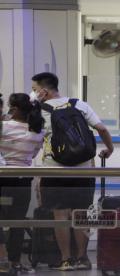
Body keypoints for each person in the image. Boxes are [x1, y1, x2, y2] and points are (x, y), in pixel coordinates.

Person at [32, 72, 114, 271]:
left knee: (60, 215)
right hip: (83, 169)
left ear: (44, 90)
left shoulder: (40, 111)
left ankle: (66, 259)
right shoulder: (79, 105)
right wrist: (109, 149)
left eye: (34, 90)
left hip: (54, 170)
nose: (33, 93)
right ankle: (83, 258)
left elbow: (34, 138)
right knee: (82, 213)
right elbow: (102, 129)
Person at [0, 93, 45, 274]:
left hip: (3, 179)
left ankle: (2, 259)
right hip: (23, 181)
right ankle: (15, 261)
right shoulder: (37, 131)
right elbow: (33, 155)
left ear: (15, 109)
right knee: (17, 222)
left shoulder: (3, 127)